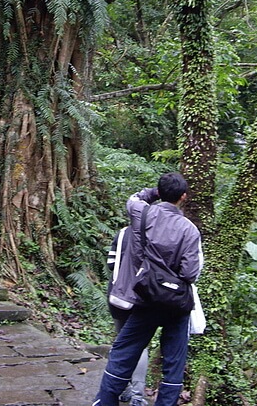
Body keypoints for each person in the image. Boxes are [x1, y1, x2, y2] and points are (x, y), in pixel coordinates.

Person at [94, 172, 203, 406]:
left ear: (159, 193)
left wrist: (153, 192)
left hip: (146, 295)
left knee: (125, 349)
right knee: (174, 361)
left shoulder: (142, 213)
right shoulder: (190, 230)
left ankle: (105, 400)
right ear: (183, 197)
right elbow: (190, 273)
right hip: (175, 303)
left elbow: (134, 198)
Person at [107, 227, 148, 406]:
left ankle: (123, 389)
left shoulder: (124, 232)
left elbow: (111, 263)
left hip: (119, 296)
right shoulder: (158, 232)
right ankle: (138, 396)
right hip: (143, 298)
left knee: (122, 341)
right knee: (141, 346)